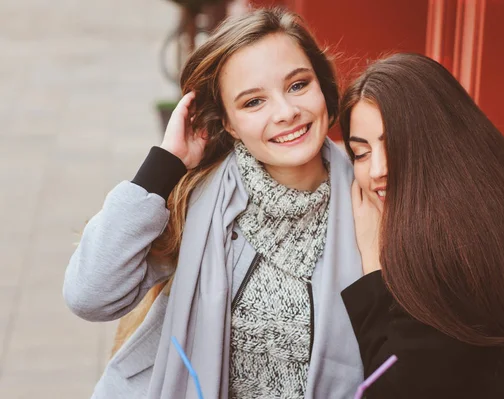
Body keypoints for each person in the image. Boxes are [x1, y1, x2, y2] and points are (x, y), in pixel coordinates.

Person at [63, 8, 364, 399]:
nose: (287, 112)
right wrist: (163, 166)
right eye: (254, 102)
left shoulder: (370, 198)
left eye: (298, 85)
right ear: (229, 124)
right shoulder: (198, 200)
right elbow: (90, 295)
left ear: (322, 87)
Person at [339, 53, 504, 398]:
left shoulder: (452, 248)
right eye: (361, 152)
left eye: (394, 143)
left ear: (435, 142)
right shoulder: (496, 210)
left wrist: (373, 267)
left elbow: (390, 390)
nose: (377, 170)